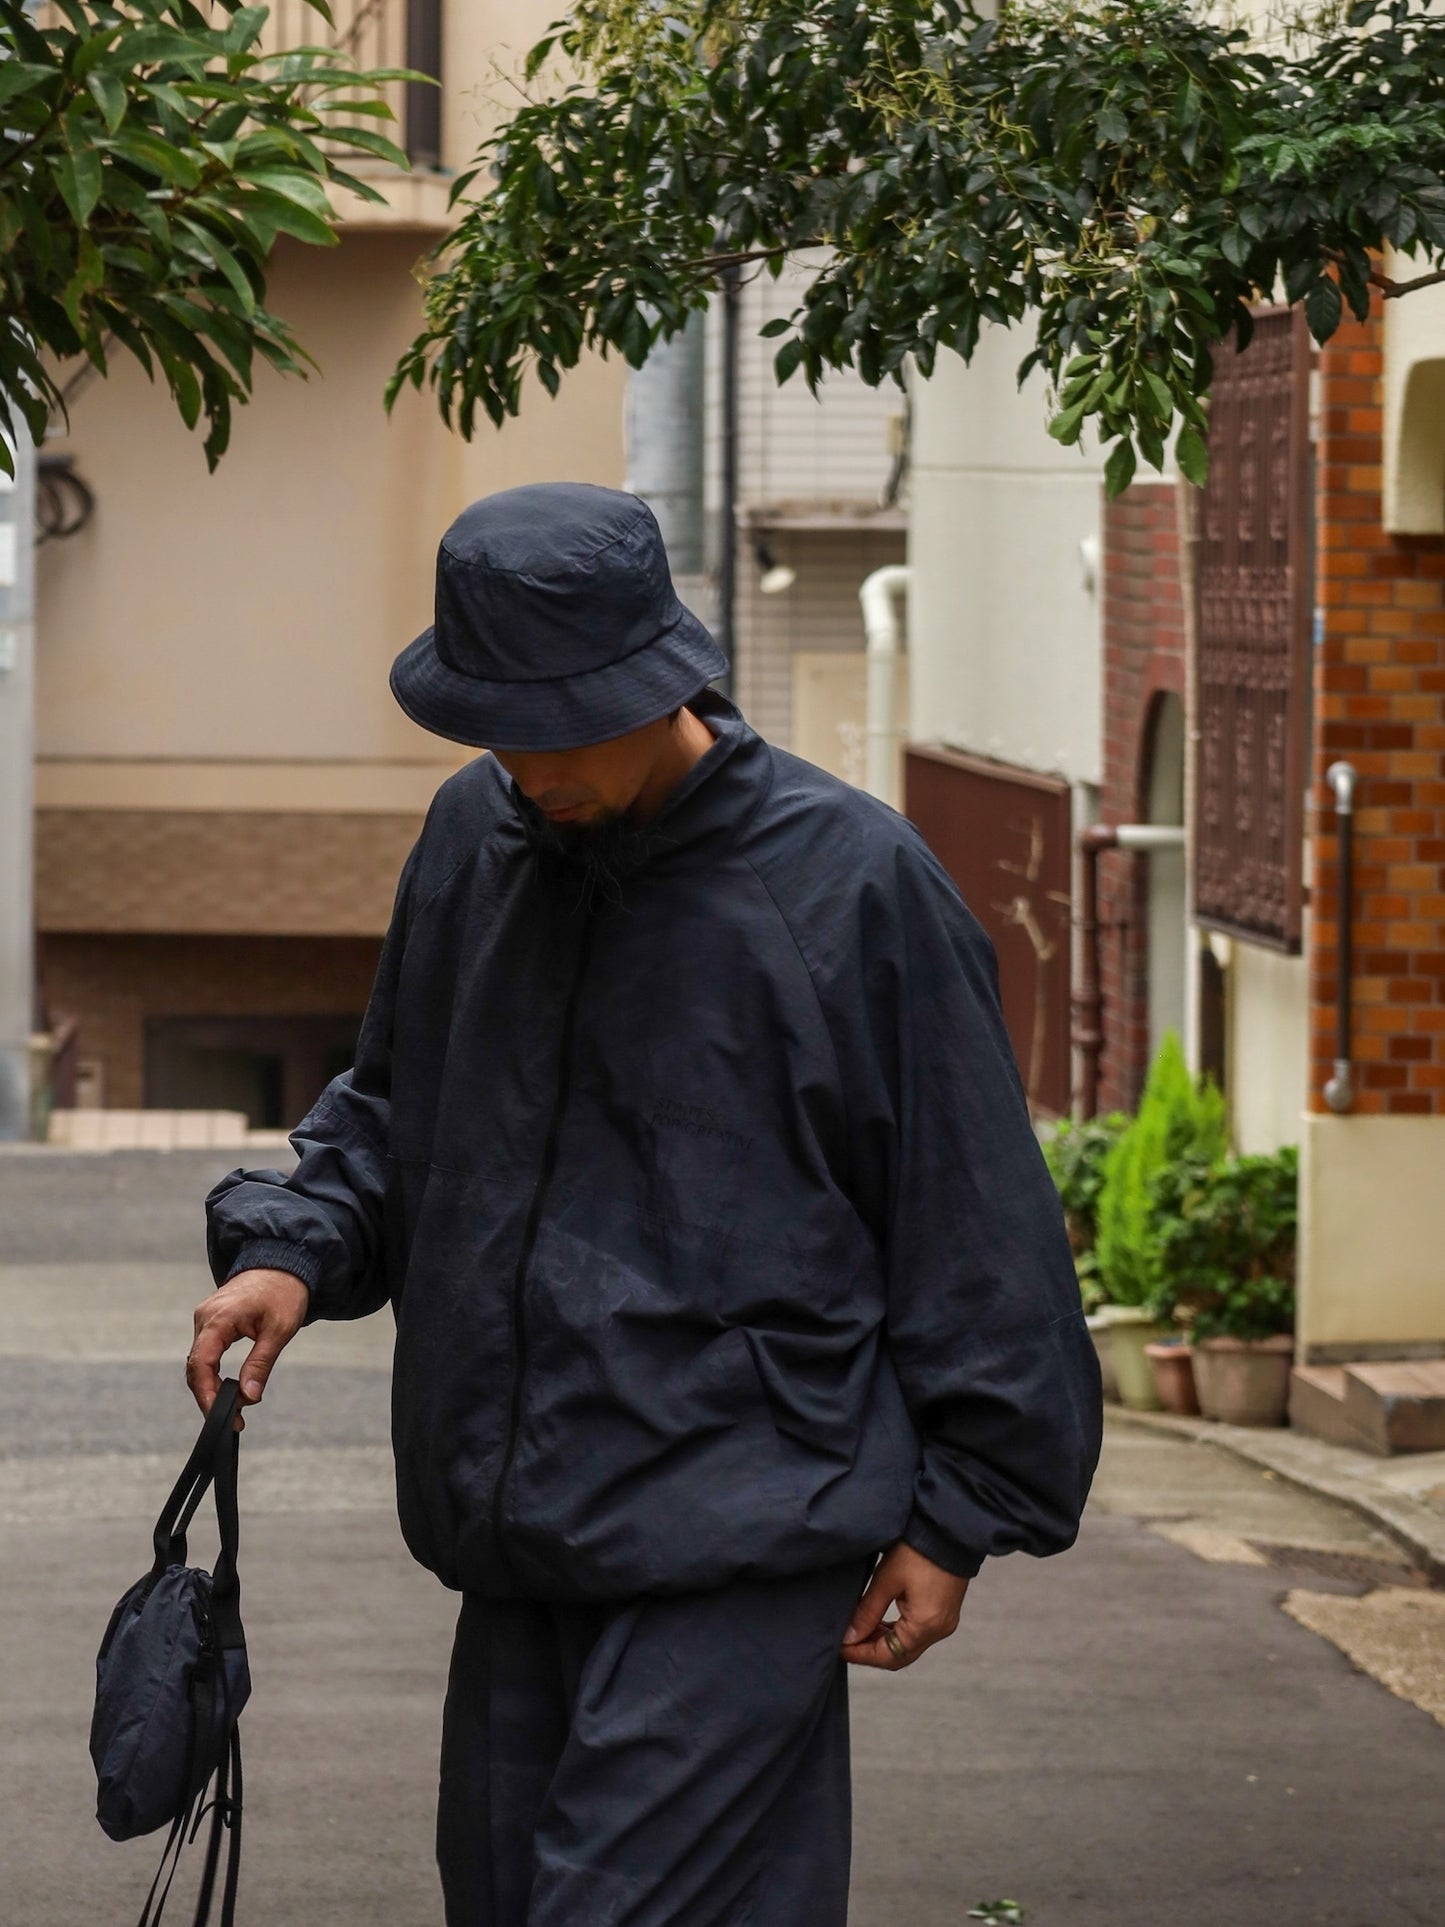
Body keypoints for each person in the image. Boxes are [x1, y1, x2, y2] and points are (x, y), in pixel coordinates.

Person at [189, 481, 1102, 1926]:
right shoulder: (477, 838)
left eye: (563, 727)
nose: (531, 765)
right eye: (501, 728)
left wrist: (957, 1518)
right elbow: (396, 1105)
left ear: (659, 681)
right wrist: (294, 1254)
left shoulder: (853, 887)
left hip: (743, 1535)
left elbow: (975, 1220)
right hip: (516, 1530)